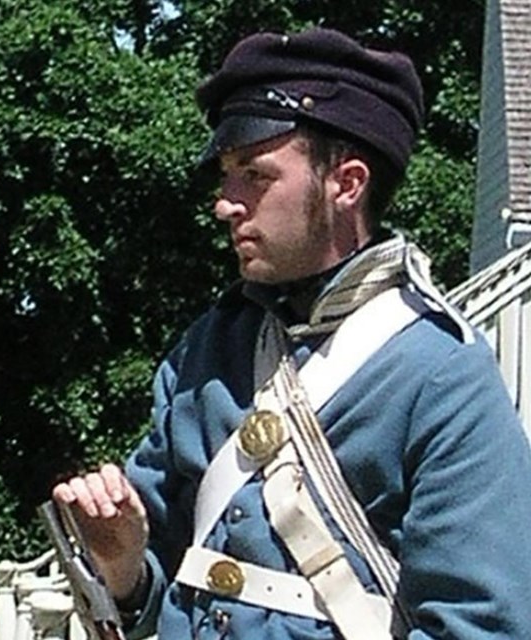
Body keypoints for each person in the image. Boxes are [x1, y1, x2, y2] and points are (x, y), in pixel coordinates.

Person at [52, 26, 531, 639]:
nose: (225, 203)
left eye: (255, 175)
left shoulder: (442, 374)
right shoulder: (207, 350)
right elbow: (152, 593)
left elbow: (482, 627)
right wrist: (123, 571)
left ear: (347, 184)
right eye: (226, 175)